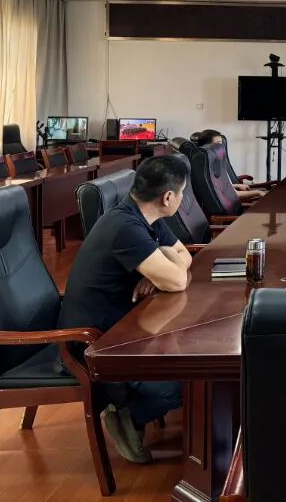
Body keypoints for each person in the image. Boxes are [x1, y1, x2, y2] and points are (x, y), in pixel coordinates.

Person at [59, 156, 193, 464]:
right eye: (182, 193)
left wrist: (156, 266)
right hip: (95, 342)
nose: (182, 198)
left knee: (191, 366)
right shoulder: (125, 227)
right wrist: (161, 264)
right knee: (193, 380)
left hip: (127, 326)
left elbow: (184, 256)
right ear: (168, 197)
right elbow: (177, 280)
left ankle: (128, 406)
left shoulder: (144, 215)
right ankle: (125, 412)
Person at [194, 129, 266, 200]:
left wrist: (237, 185)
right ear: (207, 147)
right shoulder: (211, 168)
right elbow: (234, 195)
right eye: (218, 144)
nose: (222, 146)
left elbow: (220, 186)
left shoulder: (212, 163)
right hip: (232, 202)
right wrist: (257, 193)